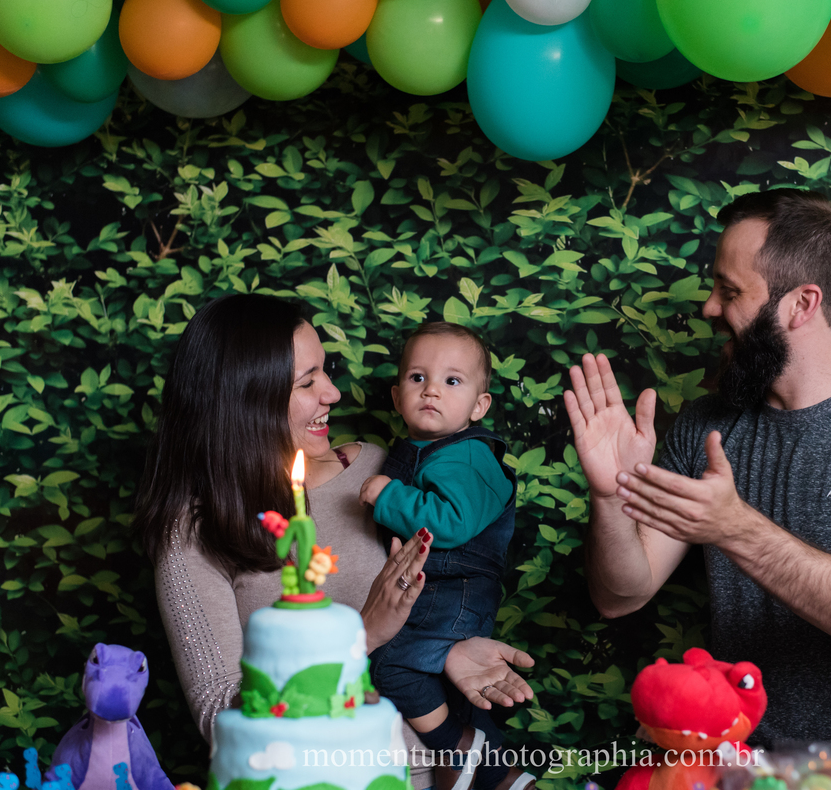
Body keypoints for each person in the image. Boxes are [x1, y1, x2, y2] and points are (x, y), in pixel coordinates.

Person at [565, 189, 831, 752]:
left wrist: (732, 526)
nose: (708, 308)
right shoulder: (707, 426)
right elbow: (621, 596)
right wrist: (611, 497)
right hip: (728, 763)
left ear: (801, 304)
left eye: (729, 291)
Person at [134, 295, 534, 790]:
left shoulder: (382, 472)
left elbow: (450, 573)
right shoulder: (195, 532)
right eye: (308, 382)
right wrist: (358, 638)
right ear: (247, 397)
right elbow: (222, 719)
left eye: (325, 372)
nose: (333, 393)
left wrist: (447, 652)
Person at [359, 322, 517, 790]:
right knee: (450, 684)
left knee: (390, 665)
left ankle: (460, 748)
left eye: (452, 381)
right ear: (395, 396)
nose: (431, 391)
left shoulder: (469, 457)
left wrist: (388, 496)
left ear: (479, 405)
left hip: (457, 590)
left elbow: (452, 521)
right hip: (436, 588)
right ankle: (503, 775)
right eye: (417, 378)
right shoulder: (425, 450)